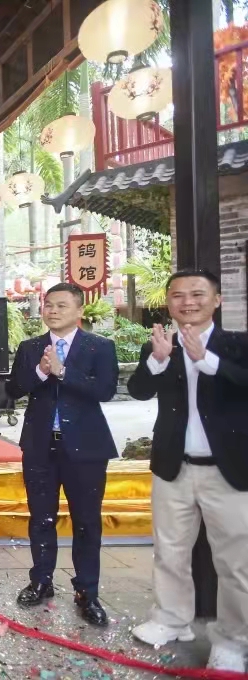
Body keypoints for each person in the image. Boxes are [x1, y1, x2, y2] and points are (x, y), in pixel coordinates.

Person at [126, 269, 248, 672]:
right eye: (178, 295)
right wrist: (158, 361)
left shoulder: (237, 344)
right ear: (169, 303)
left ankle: (233, 640)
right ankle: (171, 619)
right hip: (173, 466)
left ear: (217, 300)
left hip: (228, 471)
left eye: (197, 294)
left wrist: (207, 361)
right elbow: (139, 390)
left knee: (236, 562)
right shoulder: (161, 344)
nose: (187, 302)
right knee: (170, 550)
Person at [6, 282, 118, 627]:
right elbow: (13, 388)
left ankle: (87, 591)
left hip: (86, 448)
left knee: (86, 521)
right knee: (41, 518)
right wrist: (41, 372)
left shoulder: (100, 346)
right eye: (48, 305)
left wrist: (63, 371)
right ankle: (41, 581)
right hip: (40, 446)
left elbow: (105, 390)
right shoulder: (30, 348)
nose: (52, 311)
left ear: (79, 310)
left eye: (61, 305)